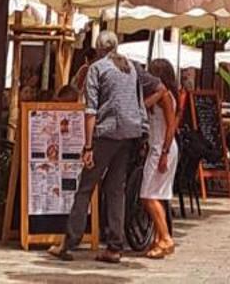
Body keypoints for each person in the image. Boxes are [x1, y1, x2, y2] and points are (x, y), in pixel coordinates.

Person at [54, 30, 147, 264]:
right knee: (116, 188)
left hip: (106, 133)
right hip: (129, 133)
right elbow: (138, 100)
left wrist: (87, 146)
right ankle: (115, 246)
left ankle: (69, 242)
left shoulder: (97, 68)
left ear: (98, 49)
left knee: (86, 186)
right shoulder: (130, 67)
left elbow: (91, 110)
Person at [140, 59, 179, 260]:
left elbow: (171, 125)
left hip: (161, 147)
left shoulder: (166, 97)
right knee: (158, 194)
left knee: (148, 195)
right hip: (159, 147)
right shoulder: (162, 94)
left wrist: (164, 152)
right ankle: (158, 240)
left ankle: (165, 237)